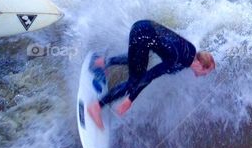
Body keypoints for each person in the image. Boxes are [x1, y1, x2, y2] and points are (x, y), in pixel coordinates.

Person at [87, 20, 215, 130]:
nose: (203, 75)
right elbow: (151, 75)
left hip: (144, 27)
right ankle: (96, 107)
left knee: (139, 59)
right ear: (200, 65)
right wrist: (130, 98)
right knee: (134, 82)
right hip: (142, 35)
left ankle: (102, 62)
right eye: (205, 72)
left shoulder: (191, 52)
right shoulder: (177, 59)